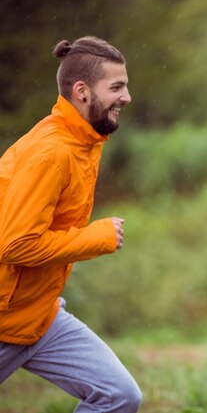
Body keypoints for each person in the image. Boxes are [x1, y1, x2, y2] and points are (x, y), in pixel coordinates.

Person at [0, 36, 141, 412]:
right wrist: (96, 237)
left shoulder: (84, 140)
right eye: (117, 87)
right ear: (82, 91)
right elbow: (15, 245)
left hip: (41, 315)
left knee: (119, 396)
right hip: (3, 319)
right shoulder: (51, 153)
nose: (126, 97)